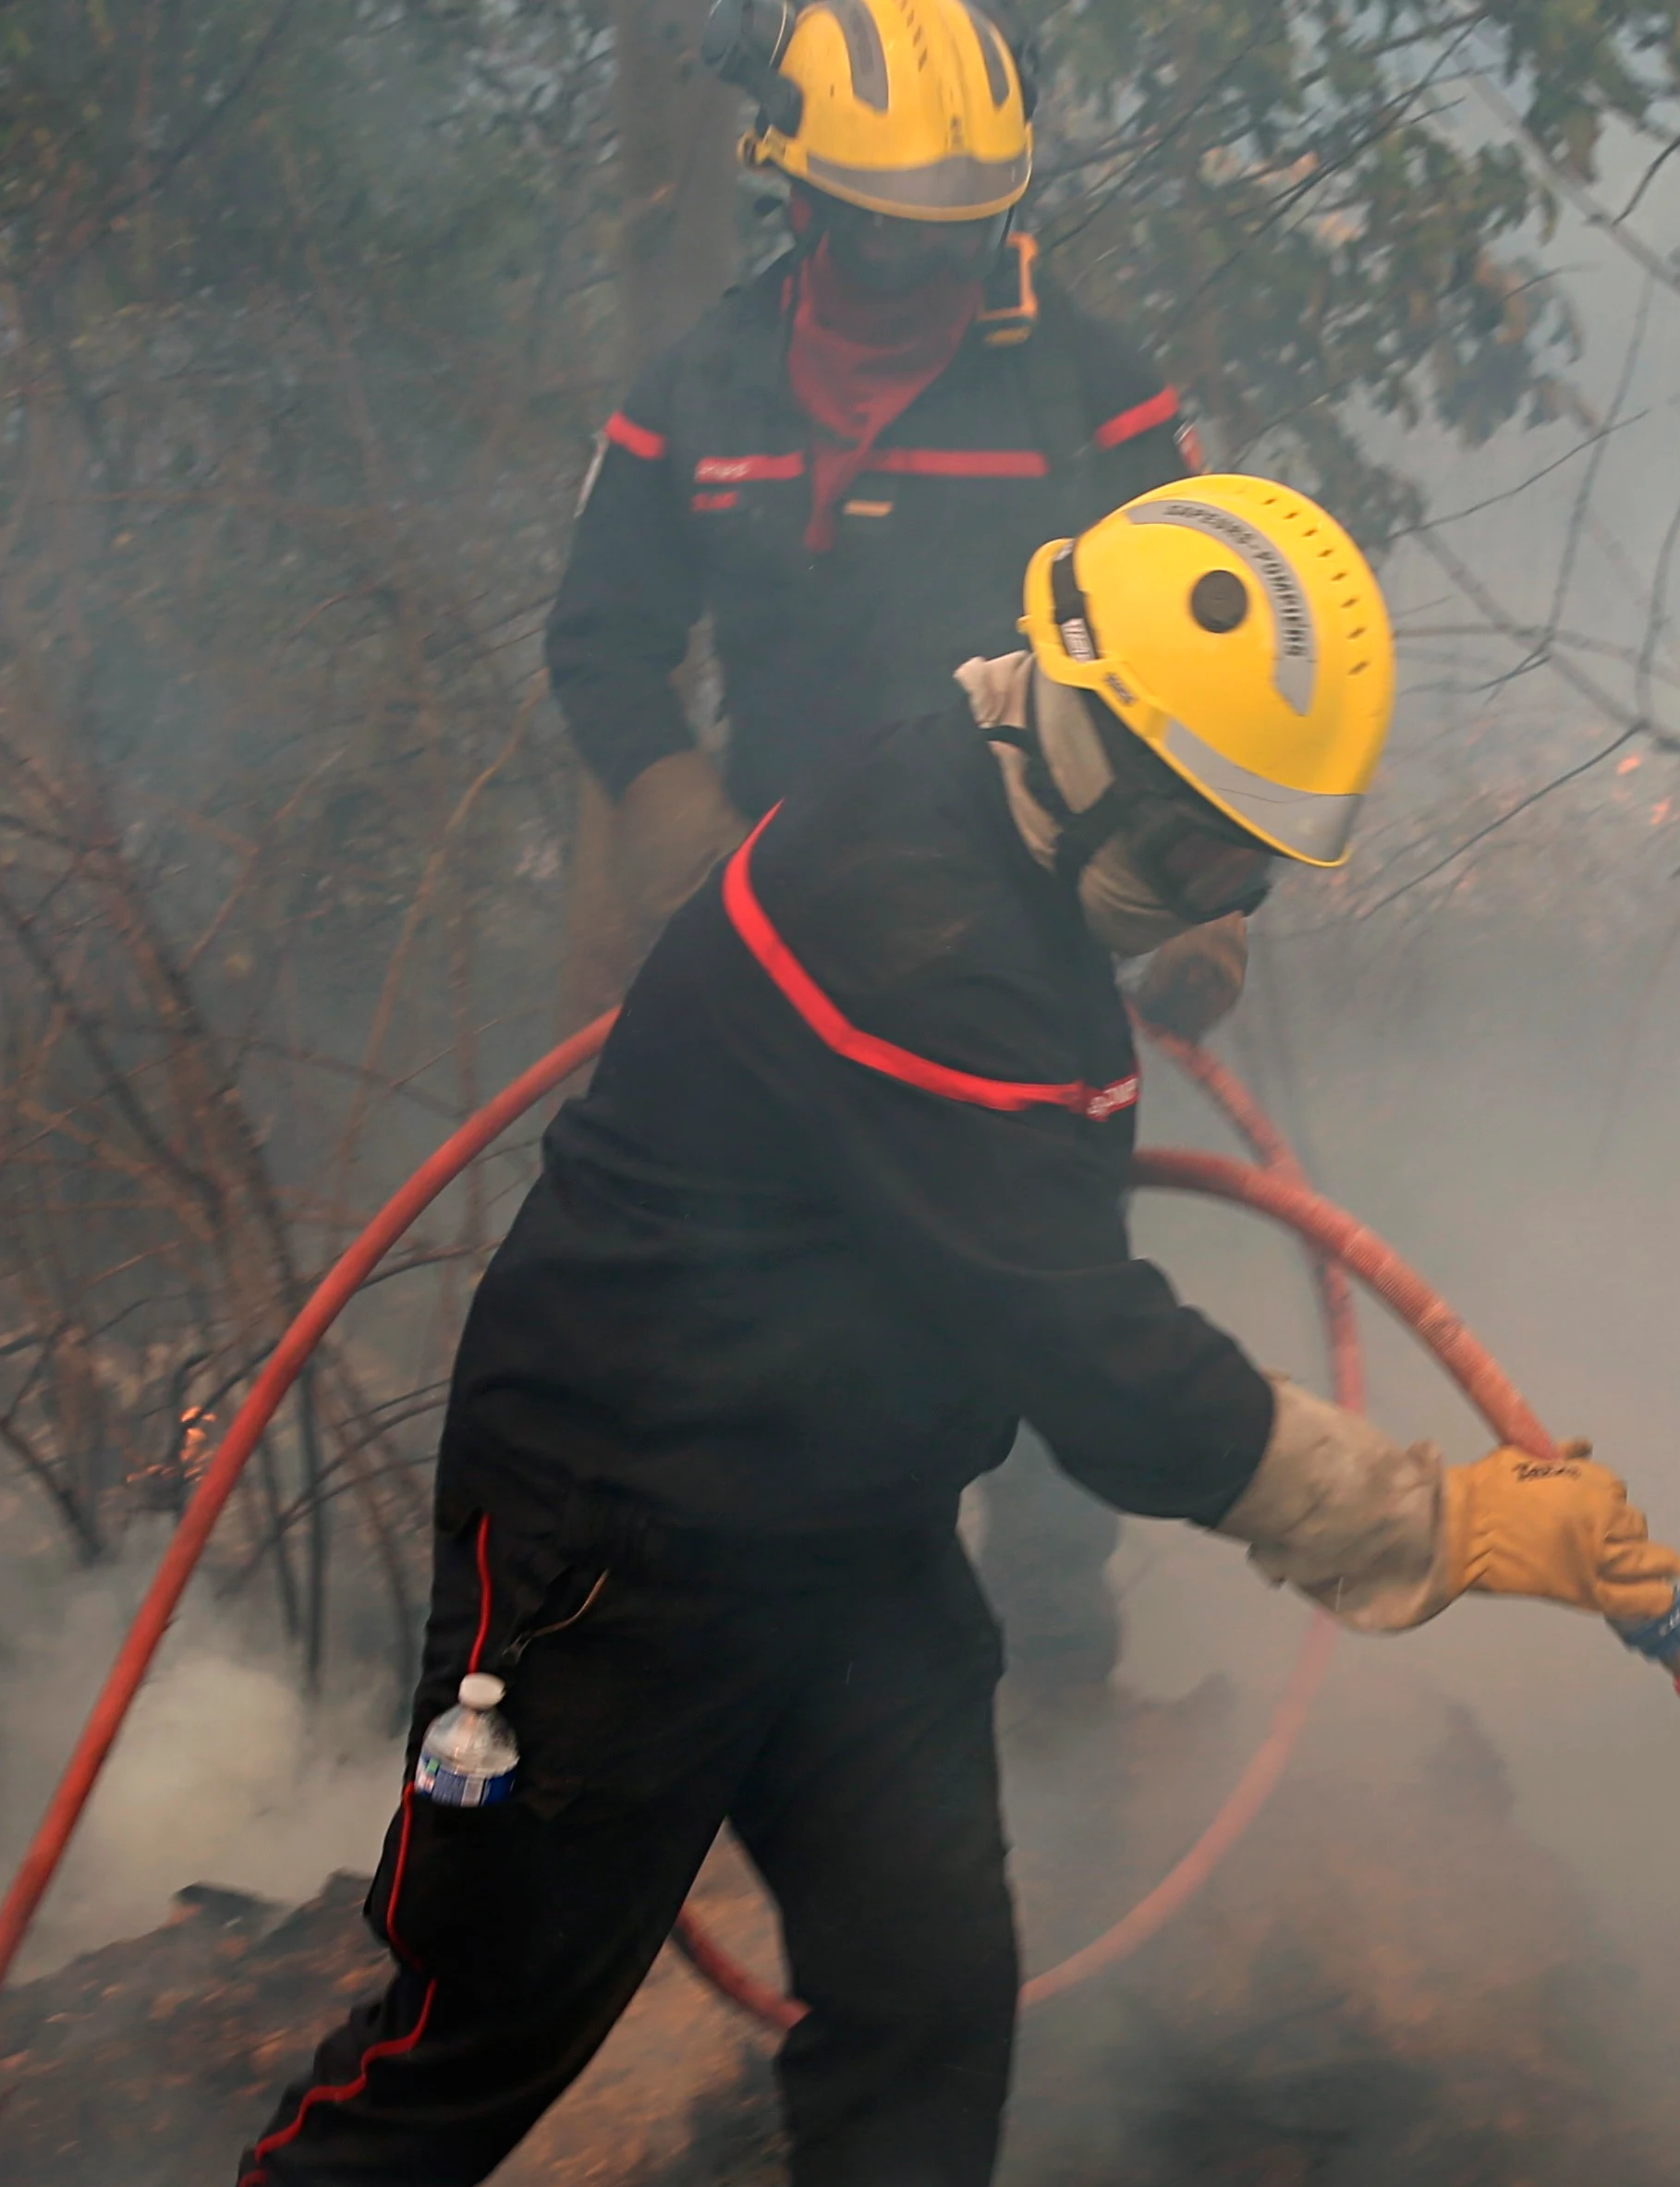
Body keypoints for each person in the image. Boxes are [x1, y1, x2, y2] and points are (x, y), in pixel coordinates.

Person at [169, 476, 1680, 2187]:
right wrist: (1446, 1526)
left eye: (1248, 861)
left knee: (927, 1974)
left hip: (845, 1517)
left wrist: (1170, 906)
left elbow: (1052, 1125)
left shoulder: (1002, 810)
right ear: (1083, 754)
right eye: (1194, 848)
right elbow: (1111, 1376)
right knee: (498, 2015)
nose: (1216, 897)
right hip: (619, 1529)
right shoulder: (930, 950)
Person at [548, 0, 1244, 1721]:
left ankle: (1062, 1734)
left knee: (1055, 1332)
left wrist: (1216, 895)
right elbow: (603, 631)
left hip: (1028, 964)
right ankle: (834, 1739)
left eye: (962, 236)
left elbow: (1214, 656)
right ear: (796, 199)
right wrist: (661, 799)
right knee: (796, 1354)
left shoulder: (1091, 394)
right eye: (882, 235)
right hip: (782, 963)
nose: (925, 271)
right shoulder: (699, 389)